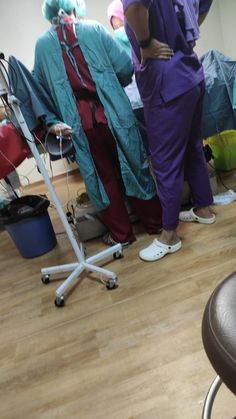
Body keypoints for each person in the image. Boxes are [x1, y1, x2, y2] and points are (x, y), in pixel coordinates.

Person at [33, 0, 162, 247]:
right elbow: (125, 68)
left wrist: (52, 120)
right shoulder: (95, 29)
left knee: (103, 179)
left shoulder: (42, 45)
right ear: (75, 7)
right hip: (115, 115)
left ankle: (122, 236)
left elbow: (39, 92)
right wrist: (111, 87)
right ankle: (155, 224)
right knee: (136, 167)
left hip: (81, 126)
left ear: (48, 13)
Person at [122, 0, 215, 261]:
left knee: (165, 162)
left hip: (166, 80)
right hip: (189, 71)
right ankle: (204, 208)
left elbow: (134, 6)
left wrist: (145, 43)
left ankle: (170, 235)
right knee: (192, 146)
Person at [107, 0, 148, 152]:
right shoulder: (114, 45)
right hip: (132, 103)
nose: (119, 31)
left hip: (150, 98)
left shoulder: (143, 36)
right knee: (144, 145)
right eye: (115, 27)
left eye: (122, 25)